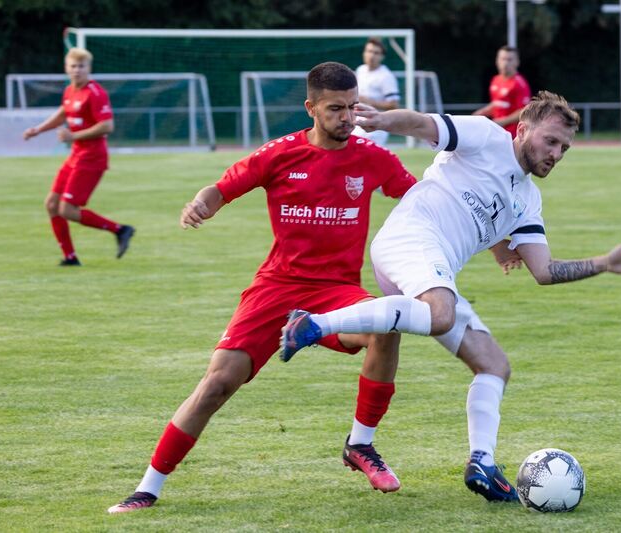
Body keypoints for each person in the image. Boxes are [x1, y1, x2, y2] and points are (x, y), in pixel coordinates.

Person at [281, 91, 621, 502]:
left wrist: (603, 263)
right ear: (523, 129)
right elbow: (424, 124)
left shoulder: (528, 199)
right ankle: (313, 323)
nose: (557, 154)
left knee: (494, 365)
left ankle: (482, 462)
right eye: (551, 141)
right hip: (410, 238)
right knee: (439, 313)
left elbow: (544, 272)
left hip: (434, 268)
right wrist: (381, 120)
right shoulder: (485, 136)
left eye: (564, 147)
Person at [107, 62, 417, 514]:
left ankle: (361, 444)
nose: (347, 117)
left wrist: (498, 241)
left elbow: (422, 202)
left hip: (336, 291)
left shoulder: (372, 157)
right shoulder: (281, 153)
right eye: (335, 109)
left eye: (352, 107)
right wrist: (201, 204)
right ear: (311, 108)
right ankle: (147, 488)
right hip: (277, 289)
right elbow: (222, 187)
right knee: (217, 383)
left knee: (387, 323)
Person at [23, 47, 135, 266]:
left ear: (88, 69)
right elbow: (63, 113)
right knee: (52, 204)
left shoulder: (95, 93)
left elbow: (107, 125)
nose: (77, 70)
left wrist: (72, 135)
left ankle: (120, 230)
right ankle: (70, 257)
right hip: (75, 155)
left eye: (81, 66)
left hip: (92, 158)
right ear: (66, 68)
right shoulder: (70, 90)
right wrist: (38, 129)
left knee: (67, 210)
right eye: (73, 66)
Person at [473, 46, 532, 139]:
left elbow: (524, 111)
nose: (505, 63)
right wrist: (481, 112)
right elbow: (498, 104)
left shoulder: (519, 84)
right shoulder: (495, 80)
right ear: (497, 61)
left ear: (517, 62)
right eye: (503, 59)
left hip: (512, 135)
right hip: (496, 131)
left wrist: (501, 122)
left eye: (509, 60)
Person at [352, 37, 400, 146]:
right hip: (358, 122)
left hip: (376, 125)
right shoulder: (361, 70)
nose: (371, 55)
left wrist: (369, 101)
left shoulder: (386, 76)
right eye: (369, 51)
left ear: (382, 57)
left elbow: (394, 104)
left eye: (376, 53)